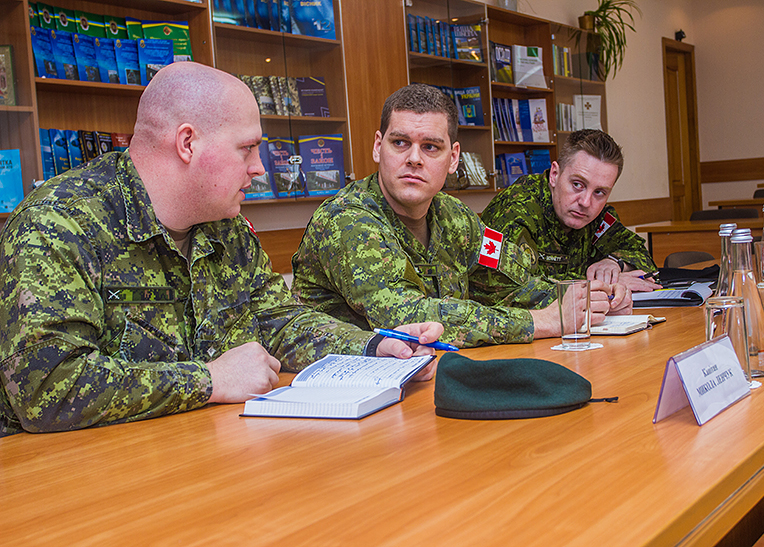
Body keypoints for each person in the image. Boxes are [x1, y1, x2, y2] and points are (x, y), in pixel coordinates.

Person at [0, 63, 442, 437]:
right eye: (247, 148)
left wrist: (375, 347)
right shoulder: (58, 224)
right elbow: (46, 387)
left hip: (204, 451)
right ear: (187, 143)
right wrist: (208, 380)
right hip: (80, 479)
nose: (258, 168)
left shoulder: (224, 224)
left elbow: (278, 320)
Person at [291, 84, 631, 349]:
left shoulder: (455, 217)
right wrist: (543, 322)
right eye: (400, 143)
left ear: (453, 158)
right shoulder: (348, 220)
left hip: (431, 375)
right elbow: (408, 318)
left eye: (430, 147)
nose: (414, 158)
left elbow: (512, 283)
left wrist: (587, 299)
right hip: (346, 392)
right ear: (378, 147)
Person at [481, 129, 660, 292]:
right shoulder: (516, 209)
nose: (586, 202)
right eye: (577, 184)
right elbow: (502, 290)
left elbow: (644, 260)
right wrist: (599, 286)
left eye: (599, 192)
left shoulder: (599, 218)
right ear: (554, 175)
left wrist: (614, 264)